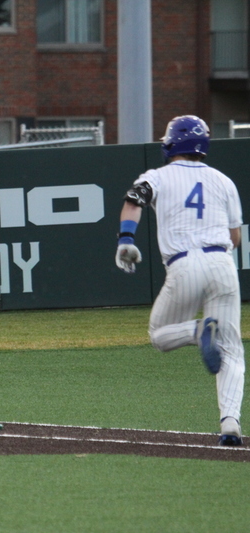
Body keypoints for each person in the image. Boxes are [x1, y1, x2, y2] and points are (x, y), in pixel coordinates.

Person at [115, 115, 244, 446]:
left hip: (184, 264)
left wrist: (126, 240)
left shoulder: (157, 175)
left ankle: (197, 330)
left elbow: (134, 200)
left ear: (171, 143)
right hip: (222, 263)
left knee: (159, 335)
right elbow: (235, 237)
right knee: (232, 350)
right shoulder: (223, 180)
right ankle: (230, 421)